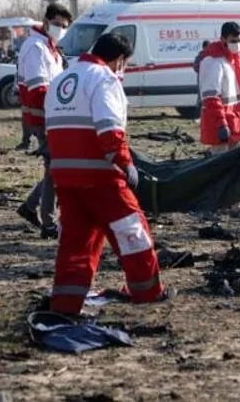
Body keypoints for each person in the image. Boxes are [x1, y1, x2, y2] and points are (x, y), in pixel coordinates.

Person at [44, 32, 169, 314]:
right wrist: (125, 163)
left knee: (75, 245)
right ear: (119, 59)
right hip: (102, 177)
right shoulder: (104, 78)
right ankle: (148, 292)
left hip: (66, 177)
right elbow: (109, 129)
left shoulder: (63, 78)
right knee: (133, 233)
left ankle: (65, 303)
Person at [16, 3, 72, 239]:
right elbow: (39, 89)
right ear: (46, 21)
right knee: (55, 170)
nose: (61, 29)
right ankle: (48, 223)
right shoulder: (35, 48)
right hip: (43, 117)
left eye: (65, 27)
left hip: (52, 116)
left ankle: (30, 207)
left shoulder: (51, 48)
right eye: (58, 25)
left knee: (54, 169)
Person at [198, 22, 240, 154]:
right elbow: (211, 97)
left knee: (236, 164)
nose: (237, 44)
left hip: (234, 122)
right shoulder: (213, 61)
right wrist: (221, 124)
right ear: (223, 39)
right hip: (221, 124)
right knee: (221, 166)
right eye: (233, 41)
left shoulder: (232, 60)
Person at [192, 40, 211, 117]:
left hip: (210, 80)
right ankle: (198, 115)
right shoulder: (200, 56)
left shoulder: (211, 56)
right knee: (201, 97)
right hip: (202, 79)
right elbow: (195, 67)